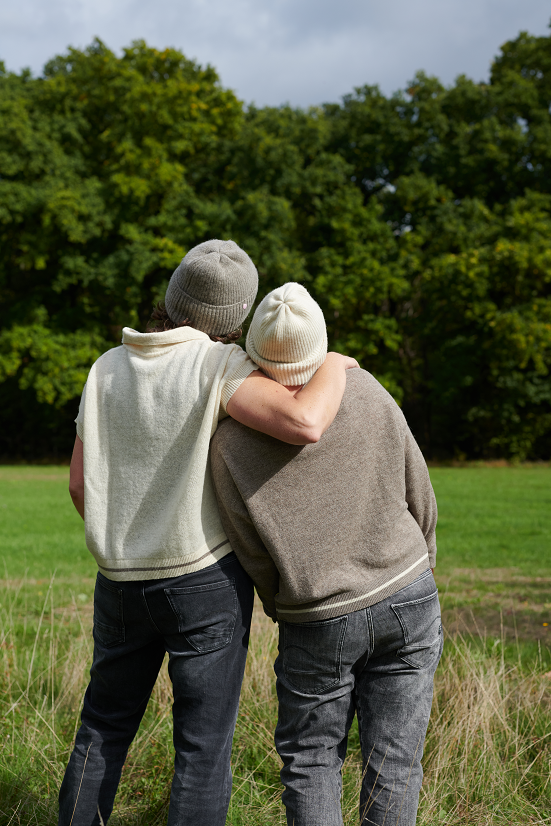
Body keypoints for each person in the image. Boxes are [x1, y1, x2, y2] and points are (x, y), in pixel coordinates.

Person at [60, 240, 357, 826]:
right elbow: (304, 422)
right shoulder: (217, 366)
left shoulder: (106, 367)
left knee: (102, 725)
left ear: (172, 295)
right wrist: (333, 363)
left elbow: (77, 484)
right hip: (203, 582)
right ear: (235, 319)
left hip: (118, 579)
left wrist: (125, 538)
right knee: (201, 747)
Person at [210, 282, 443, 826]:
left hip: (316, 614)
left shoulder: (227, 441)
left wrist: (287, 600)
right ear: (321, 343)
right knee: (396, 763)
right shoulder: (367, 389)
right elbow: (421, 493)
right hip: (408, 590)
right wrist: (421, 563)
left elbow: (250, 550)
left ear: (252, 352)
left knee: (312, 760)